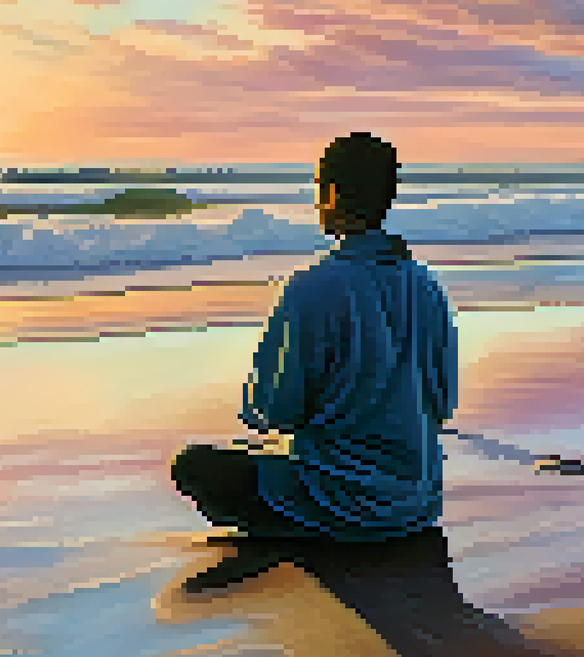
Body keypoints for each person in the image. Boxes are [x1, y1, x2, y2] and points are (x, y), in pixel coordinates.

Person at [172, 132, 461, 589]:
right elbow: (442, 404)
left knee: (194, 466)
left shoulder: (312, 286)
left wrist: (259, 407)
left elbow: (276, 412)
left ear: (329, 193)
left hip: (343, 505)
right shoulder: (426, 285)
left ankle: (308, 529)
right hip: (417, 504)